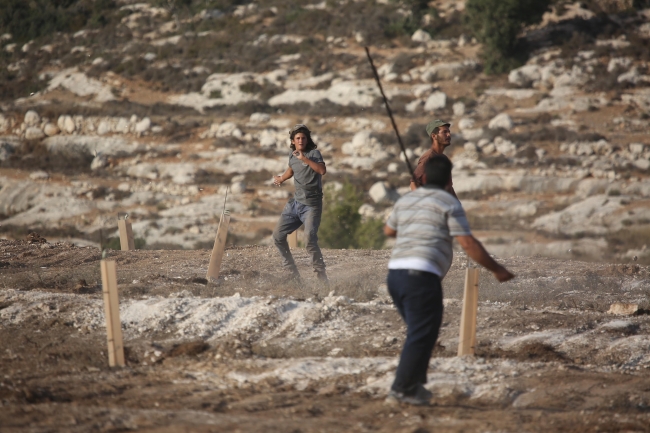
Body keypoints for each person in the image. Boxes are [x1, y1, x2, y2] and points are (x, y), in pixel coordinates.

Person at [384, 155, 514, 406]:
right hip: (421, 276)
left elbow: (390, 231)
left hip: (396, 275)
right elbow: (467, 243)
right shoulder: (448, 202)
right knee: (421, 335)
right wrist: (497, 269)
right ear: (447, 180)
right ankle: (400, 390)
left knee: (421, 332)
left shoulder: (407, 200)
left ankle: (414, 388)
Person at [272, 124, 328, 282]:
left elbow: (322, 170)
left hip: (311, 206)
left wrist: (304, 159)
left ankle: (321, 275)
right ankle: (292, 273)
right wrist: (281, 179)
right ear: (293, 141)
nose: (301, 140)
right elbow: (291, 169)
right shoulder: (292, 155)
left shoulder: (314, 154)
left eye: (304, 138)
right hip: (295, 204)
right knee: (277, 236)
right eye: (298, 138)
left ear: (307, 139)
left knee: (309, 239)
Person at [410, 119, 457, 198]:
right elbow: (413, 182)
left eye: (449, 132)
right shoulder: (428, 157)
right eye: (444, 132)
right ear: (434, 136)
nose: (449, 134)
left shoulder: (443, 158)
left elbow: (449, 187)